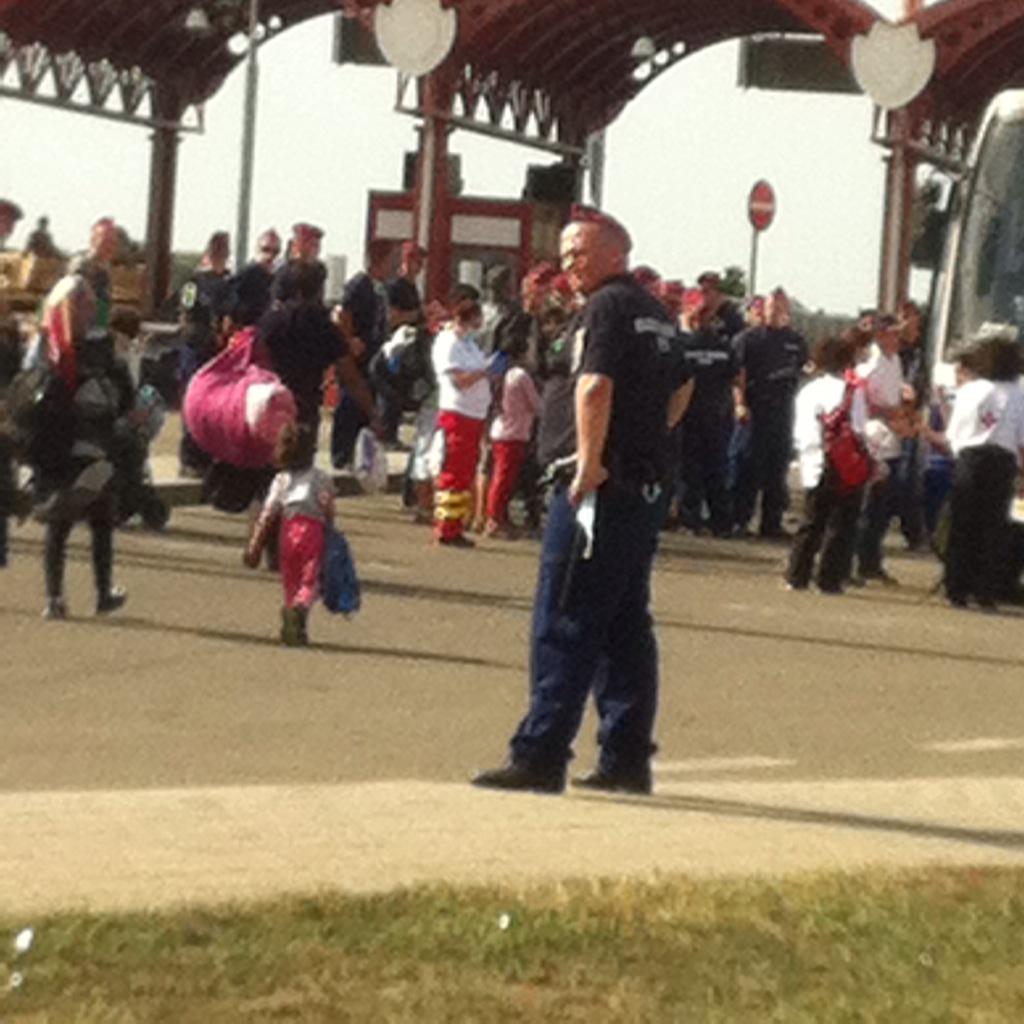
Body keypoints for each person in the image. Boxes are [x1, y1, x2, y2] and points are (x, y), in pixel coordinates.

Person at [472, 208, 693, 795]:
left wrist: (591, 461)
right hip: (640, 484)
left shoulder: (606, 308)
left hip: (596, 487)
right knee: (623, 625)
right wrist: (650, 440)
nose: (570, 262)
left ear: (617, 254)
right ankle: (626, 758)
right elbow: (683, 385)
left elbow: (594, 386)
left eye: (581, 252)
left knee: (565, 617)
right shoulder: (658, 316)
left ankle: (540, 752)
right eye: (565, 252)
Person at [34, 276, 133, 620]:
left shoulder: (46, 344)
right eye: (88, 303)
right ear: (73, 305)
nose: (94, 310)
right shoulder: (94, 347)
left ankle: (57, 597)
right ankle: (98, 592)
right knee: (95, 521)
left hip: (58, 446)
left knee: (67, 525)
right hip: (87, 444)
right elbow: (122, 394)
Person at [941, 330, 1024, 610]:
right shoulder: (1017, 394)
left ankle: (956, 587)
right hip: (1001, 461)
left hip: (970, 459)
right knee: (993, 529)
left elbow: (956, 433)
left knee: (962, 525)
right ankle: (985, 590)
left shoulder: (970, 390)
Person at [785, 334, 869, 593]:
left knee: (811, 521)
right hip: (844, 463)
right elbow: (859, 428)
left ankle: (797, 575)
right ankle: (830, 578)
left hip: (814, 459)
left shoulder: (808, 391)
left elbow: (801, 429)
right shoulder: (852, 392)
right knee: (842, 523)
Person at [246, 423, 336, 645]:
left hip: (287, 531)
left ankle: (290, 614)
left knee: (290, 577)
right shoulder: (320, 478)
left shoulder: (281, 480)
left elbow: (268, 513)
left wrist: (255, 544)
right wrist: (331, 529)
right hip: (312, 531)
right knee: (310, 580)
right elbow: (328, 506)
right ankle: (299, 610)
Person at [732, 288, 808, 538]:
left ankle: (771, 523)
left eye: (781, 307)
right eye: (772, 307)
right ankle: (740, 520)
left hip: (783, 411)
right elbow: (738, 375)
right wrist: (740, 403)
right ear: (764, 309)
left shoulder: (795, 341)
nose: (776, 311)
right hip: (756, 410)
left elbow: (806, 368)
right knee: (749, 466)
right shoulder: (749, 339)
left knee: (777, 468)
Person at [431, 285, 495, 547]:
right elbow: (459, 380)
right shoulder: (448, 342)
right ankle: (446, 527)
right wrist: (486, 371)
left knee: (466, 470)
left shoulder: (468, 344)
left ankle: (457, 523)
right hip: (457, 412)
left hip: (474, 414)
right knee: (453, 471)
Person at [853, 313, 915, 585]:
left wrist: (902, 411)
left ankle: (871, 560)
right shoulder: (872, 364)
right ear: (880, 335)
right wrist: (892, 414)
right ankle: (859, 561)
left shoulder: (895, 360)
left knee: (882, 510)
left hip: (891, 440)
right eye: (892, 333)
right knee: (869, 506)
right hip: (874, 440)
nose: (897, 338)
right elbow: (864, 401)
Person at [677, 287, 739, 537]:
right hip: (687, 415)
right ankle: (690, 519)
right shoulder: (679, 344)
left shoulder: (721, 345)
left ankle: (719, 521)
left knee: (715, 469)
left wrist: (736, 404)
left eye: (706, 313)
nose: (701, 318)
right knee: (688, 470)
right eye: (697, 312)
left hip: (715, 415)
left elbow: (736, 376)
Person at [177, 231, 233, 477]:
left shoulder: (229, 284)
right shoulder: (193, 282)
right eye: (217, 251)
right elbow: (185, 313)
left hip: (217, 351)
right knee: (193, 402)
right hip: (196, 348)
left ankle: (210, 455)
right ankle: (189, 458)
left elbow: (232, 314)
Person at [331, 239, 391, 464]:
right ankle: (341, 453)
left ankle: (360, 455)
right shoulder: (359, 285)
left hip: (373, 356)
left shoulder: (380, 289)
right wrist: (349, 340)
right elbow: (344, 314)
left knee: (367, 404)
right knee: (350, 402)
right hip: (357, 357)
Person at [485, 332, 540, 538]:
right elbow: (535, 404)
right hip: (515, 432)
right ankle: (494, 519)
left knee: (500, 477)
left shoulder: (500, 374)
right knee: (504, 479)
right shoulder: (519, 376)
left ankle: (494, 516)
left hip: (500, 429)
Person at [69, 217, 118, 329]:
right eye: (105, 241)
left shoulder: (106, 267)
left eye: (113, 242)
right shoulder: (81, 265)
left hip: (98, 328)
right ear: (93, 240)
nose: (110, 246)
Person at [232, 228, 281, 324]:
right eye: (265, 250)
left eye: (275, 251)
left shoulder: (279, 279)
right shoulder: (246, 276)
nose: (270, 255)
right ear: (257, 250)